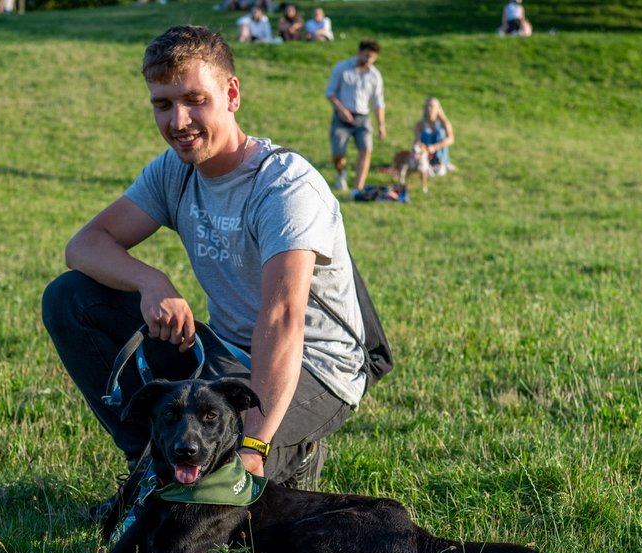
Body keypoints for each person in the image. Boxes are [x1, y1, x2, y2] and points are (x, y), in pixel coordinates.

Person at [42, 25, 367, 508]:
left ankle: (292, 456)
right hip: (225, 354)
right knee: (71, 298)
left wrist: (254, 444)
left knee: (220, 495)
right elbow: (86, 245)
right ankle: (149, 469)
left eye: (195, 99)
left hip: (315, 369)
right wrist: (150, 280)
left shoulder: (285, 186)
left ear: (231, 94)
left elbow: (282, 318)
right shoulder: (174, 171)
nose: (179, 120)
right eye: (163, 104)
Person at [324, 39, 386, 193]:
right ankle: (341, 175)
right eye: (366, 56)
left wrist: (381, 125)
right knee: (338, 152)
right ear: (359, 52)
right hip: (342, 116)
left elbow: (378, 102)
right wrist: (342, 110)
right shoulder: (342, 69)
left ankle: (358, 187)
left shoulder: (375, 75)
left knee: (366, 149)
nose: (368, 60)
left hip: (363, 118)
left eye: (372, 57)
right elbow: (330, 93)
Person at [414, 97, 455, 176]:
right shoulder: (420, 125)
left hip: (439, 152)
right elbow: (417, 142)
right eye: (427, 106)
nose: (429, 109)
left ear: (438, 109)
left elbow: (451, 139)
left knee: (441, 133)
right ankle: (427, 163)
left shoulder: (444, 123)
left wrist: (435, 147)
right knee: (426, 132)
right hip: (426, 153)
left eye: (432, 106)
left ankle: (441, 163)